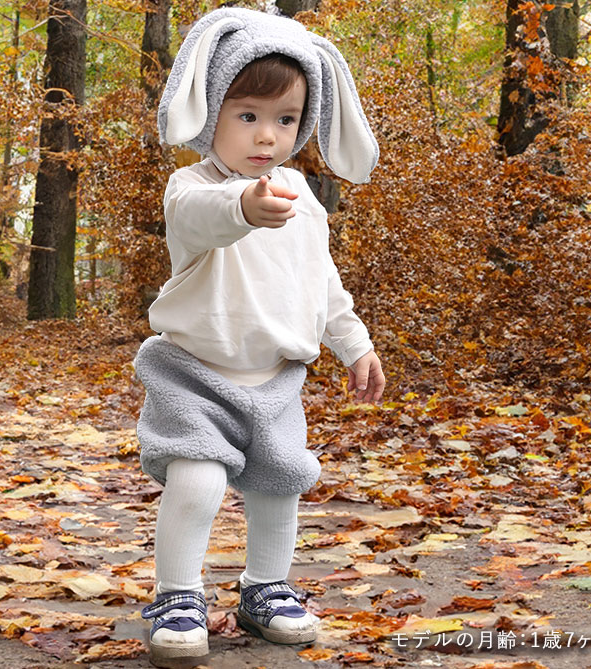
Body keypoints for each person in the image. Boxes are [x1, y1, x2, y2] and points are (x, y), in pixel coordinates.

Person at [133, 7, 384, 667]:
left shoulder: (303, 196)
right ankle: (176, 595)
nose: (267, 137)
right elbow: (202, 221)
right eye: (247, 115)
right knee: (197, 480)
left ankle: (265, 587)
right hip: (194, 373)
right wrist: (244, 207)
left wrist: (354, 343)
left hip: (276, 379)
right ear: (212, 108)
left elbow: (321, 282)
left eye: (286, 119)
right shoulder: (190, 187)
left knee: (279, 486)